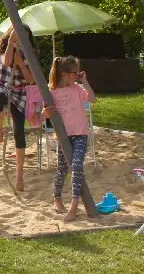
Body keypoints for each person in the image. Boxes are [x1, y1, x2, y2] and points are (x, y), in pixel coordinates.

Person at [43, 56, 96, 222]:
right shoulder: (52, 93)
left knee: (77, 165)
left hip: (80, 134)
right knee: (62, 170)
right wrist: (46, 113)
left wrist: (84, 81)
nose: (77, 74)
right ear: (64, 74)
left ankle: (74, 205)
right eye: (75, 72)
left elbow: (92, 99)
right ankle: (57, 198)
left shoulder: (77, 89)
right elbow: (45, 114)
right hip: (63, 137)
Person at [0, 25, 37, 191]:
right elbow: (7, 62)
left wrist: (21, 64)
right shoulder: (3, 49)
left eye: (23, 37)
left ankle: (19, 175)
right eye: (16, 36)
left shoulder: (29, 55)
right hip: (3, 85)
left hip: (20, 91)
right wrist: (11, 42)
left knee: (19, 132)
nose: (19, 40)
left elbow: (32, 81)